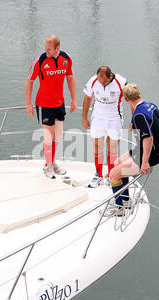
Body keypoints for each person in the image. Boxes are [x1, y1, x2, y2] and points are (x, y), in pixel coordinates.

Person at [107, 83, 159, 216]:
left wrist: (145, 162)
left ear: (126, 99)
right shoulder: (151, 106)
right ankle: (126, 201)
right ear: (139, 94)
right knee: (117, 162)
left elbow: (148, 139)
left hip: (148, 155)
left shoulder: (139, 115)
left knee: (113, 174)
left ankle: (120, 209)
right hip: (145, 150)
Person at [25, 35, 77, 179]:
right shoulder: (40, 60)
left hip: (59, 103)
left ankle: (52, 162)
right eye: (45, 48)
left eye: (49, 49)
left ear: (57, 48)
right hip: (43, 104)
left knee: (58, 135)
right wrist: (28, 104)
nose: (46, 51)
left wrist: (74, 99)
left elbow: (70, 77)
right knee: (49, 135)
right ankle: (48, 165)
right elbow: (29, 82)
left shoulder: (66, 59)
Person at [82, 66, 127, 188]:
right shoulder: (93, 81)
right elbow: (87, 98)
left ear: (111, 76)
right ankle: (98, 175)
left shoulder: (121, 82)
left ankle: (111, 176)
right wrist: (84, 117)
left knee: (112, 148)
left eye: (105, 81)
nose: (102, 83)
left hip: (114, 118)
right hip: (98, 118)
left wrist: (133, 119)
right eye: (100, 81)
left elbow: (130, 98)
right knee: (97, 146)